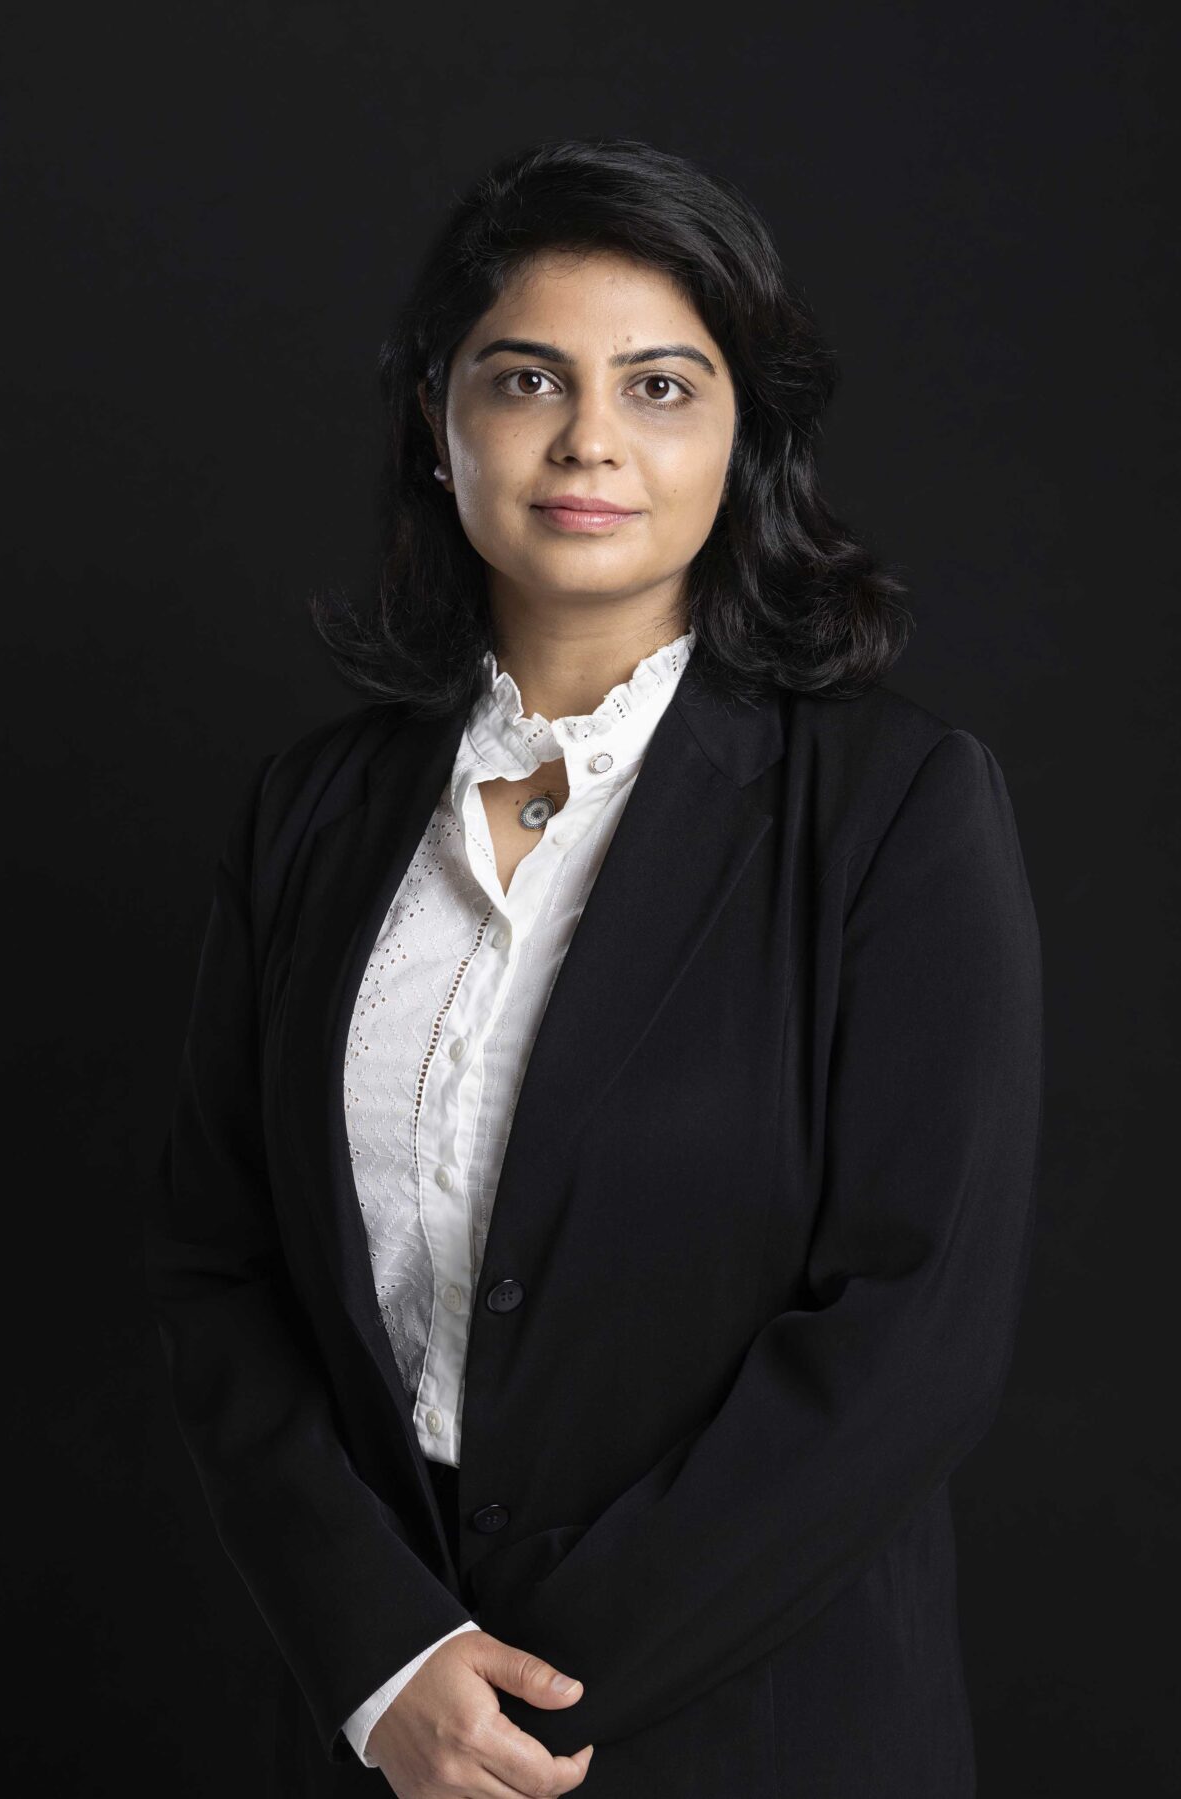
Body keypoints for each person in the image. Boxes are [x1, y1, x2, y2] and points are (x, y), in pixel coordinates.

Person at [144, 136, 1044, 1798]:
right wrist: (387, 1664)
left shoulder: (896, 807)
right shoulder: (311, 814)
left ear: (744, 438)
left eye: (660, 386)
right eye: (527, 377)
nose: (588, 440)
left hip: (759, 1726)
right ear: (437, 420)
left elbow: (916, 1335)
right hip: (374, 1727)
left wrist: (526, 1700)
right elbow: (223, 1269)